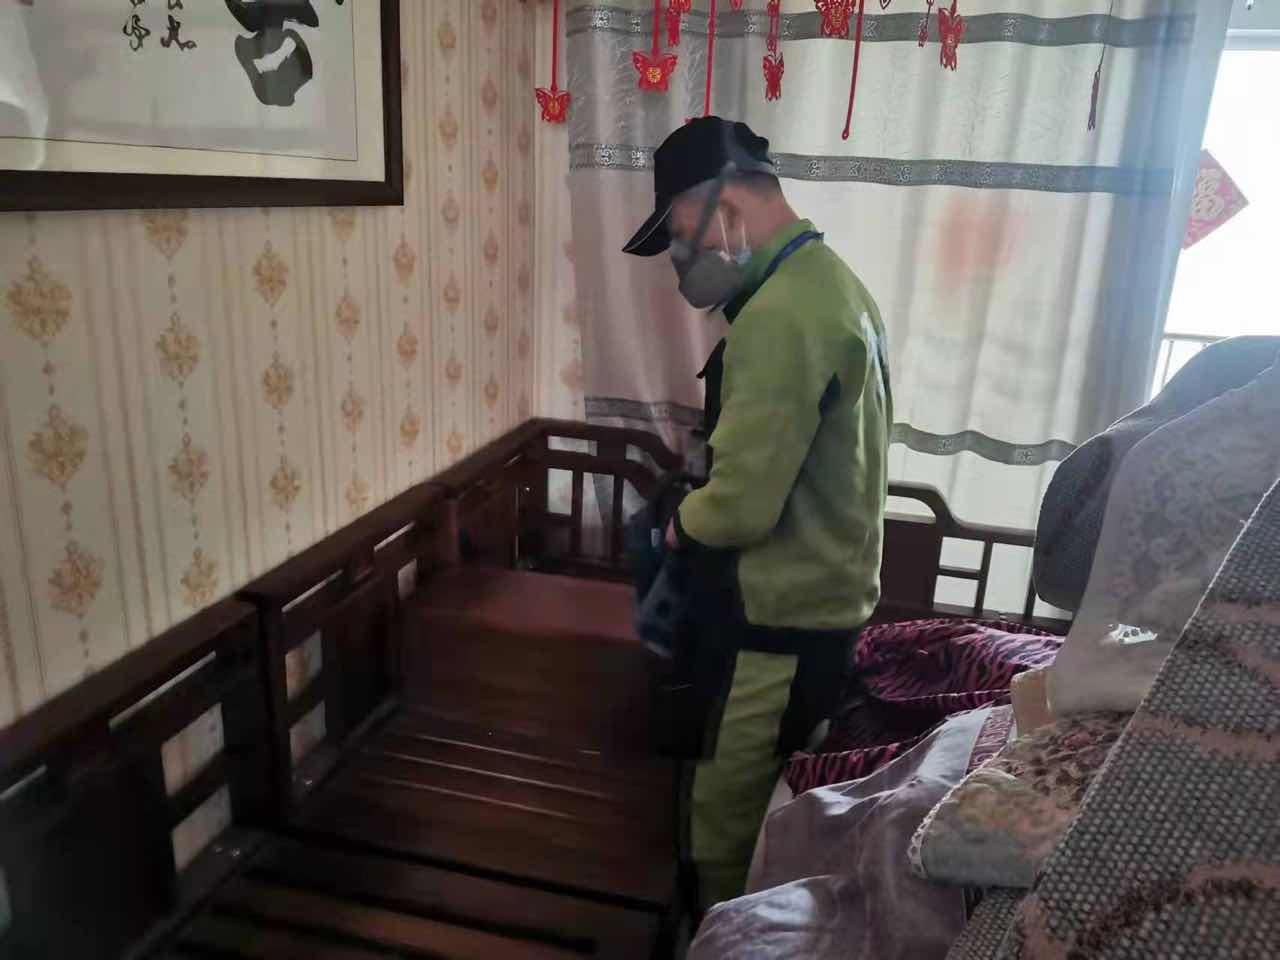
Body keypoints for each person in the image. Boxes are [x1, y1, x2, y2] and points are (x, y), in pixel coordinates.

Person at [622, 117, 892, 911]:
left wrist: (676, 526)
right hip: (823, 614)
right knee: (774, 800)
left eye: (679, 234)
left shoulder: (779, 316)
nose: (679, 258)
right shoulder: (834, 284)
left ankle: (719, 936)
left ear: (727, 205)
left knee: (724, 824)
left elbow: (739, 508)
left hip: (775, 628)